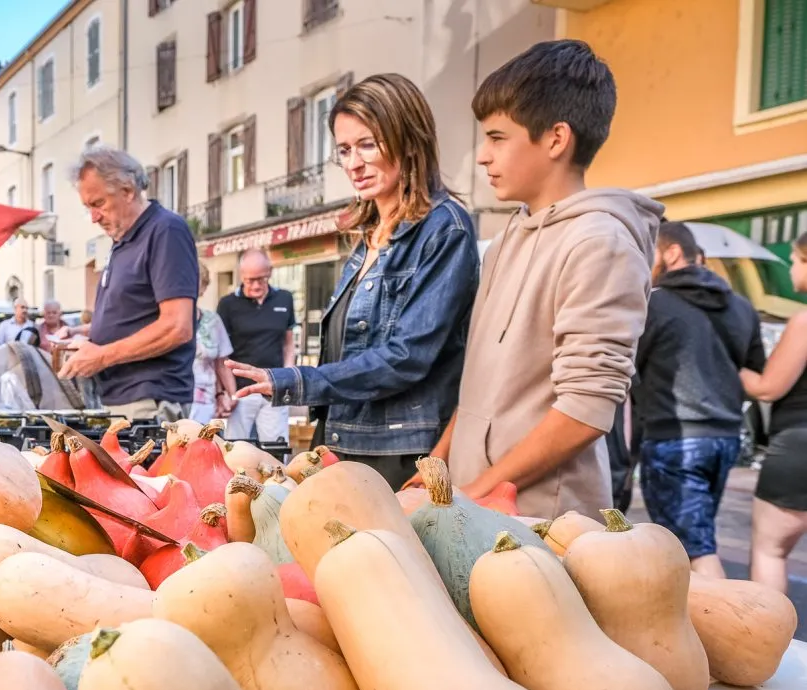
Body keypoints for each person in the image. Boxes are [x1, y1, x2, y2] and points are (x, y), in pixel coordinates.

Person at [415, 40, 662, 517]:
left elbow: (584, 413)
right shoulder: (508, 236)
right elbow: (478, 392)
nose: (483, 156)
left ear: (555, 138)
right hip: (471, 509)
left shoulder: (600, 243)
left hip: (543, 525)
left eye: (497, 138)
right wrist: (438, 467)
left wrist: (474, 493)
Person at [229, 74, 479, 489]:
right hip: (345, 440)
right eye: (345, 150)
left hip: (399, 453)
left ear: (409, 139)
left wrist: (297, 380)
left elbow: (406, 357)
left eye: (368, 144)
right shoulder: (369, 235)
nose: (353, 163)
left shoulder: (444, 229)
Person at [634, 221, 765, 577]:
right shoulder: (741, 306)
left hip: (675, 437)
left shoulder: (652, 304)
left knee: (695, 551)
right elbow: (753, 370)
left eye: (650, 253)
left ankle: (724, 628)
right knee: (694, 540)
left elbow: (629, 370)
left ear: (672, 252)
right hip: (725, 438)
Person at [59, 145, 198, 422]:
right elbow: (133, 316)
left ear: (128, 190)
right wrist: (84, 333)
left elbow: (177, 326)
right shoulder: (122, 241)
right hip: (120, 396)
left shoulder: (165, 230)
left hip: (149, 398)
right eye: (88, 207)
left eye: (98, 204)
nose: (94, 217)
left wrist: (101, 355)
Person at [740, 231, 807, 595]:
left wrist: (733, 368)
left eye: (796, 260)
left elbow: (768, 387)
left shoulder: (804, 322)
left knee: (771, 551)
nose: (793, 267)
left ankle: (768, 642)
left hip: (798, 447)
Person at [219, 249, 297, 443]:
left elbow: (288, 343)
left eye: (260, 279)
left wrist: (287, 376)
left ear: (269, 272)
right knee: (235, 449)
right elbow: (222, 355)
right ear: (241, 276)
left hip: (274, 387)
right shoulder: (228, 304)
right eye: (249, 280)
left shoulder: (285, 298)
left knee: (276, 448)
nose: (255, 285)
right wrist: (228, 392)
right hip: (241, 389)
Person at [190, 263, 236, 425]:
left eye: (196, 283)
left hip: (205, 402)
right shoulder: (165, 321)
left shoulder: (212, 321)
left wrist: (230, 396)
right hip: (173, 400)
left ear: (203, 288)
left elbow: (221, 364)